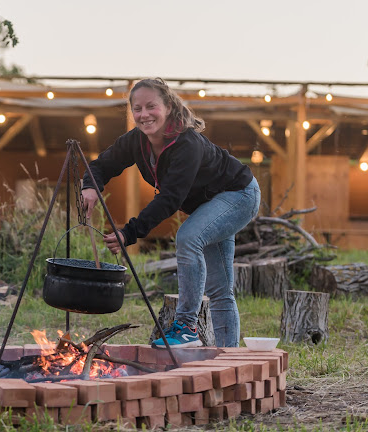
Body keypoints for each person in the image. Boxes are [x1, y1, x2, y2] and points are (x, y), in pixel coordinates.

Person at [81, 78, 260, 348]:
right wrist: (90, 186)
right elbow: (102, 164)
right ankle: (229, 359)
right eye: (137, 109)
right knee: (221, 290)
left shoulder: (187, 144)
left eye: (151, 106)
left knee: (189, 237)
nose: (144, 115)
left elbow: (169, 199)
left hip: (239, 194)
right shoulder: (136, 141)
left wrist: (128, 233)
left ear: (168, 106)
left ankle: (186, 326)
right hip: (209, 205)